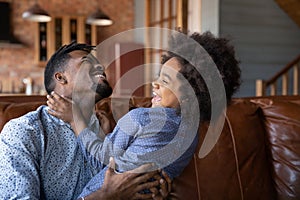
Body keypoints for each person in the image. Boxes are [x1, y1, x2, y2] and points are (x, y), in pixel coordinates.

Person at [47, 30, 241, 199]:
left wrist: (74, 120)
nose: (154, 84)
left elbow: (99, 160)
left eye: (165, 80)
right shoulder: (191, 137)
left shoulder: (141, 118)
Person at [0, 42, 170, 200]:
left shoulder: (109, 132)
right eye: (87, 61)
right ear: (61, 78)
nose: (100, 66)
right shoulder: (23, 132)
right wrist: (104, 196)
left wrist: (150, 190)